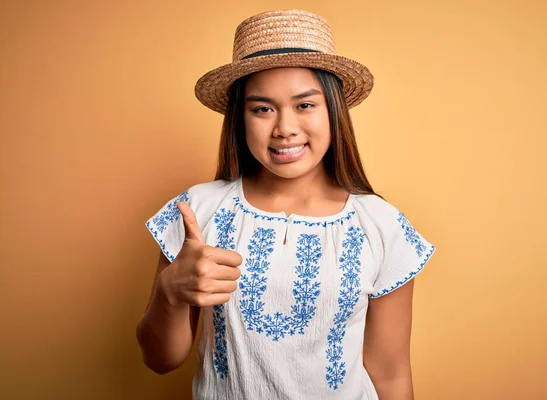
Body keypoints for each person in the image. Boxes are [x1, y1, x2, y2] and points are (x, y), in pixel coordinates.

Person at [136, 9, 436, 400]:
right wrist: (170, 292)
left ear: (334, 111)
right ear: (239, 119)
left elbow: (391, 373)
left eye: (305, 105)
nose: (284, 128)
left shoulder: (381, 225)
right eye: (262, 108)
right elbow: (160, 359)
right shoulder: (197, 211)